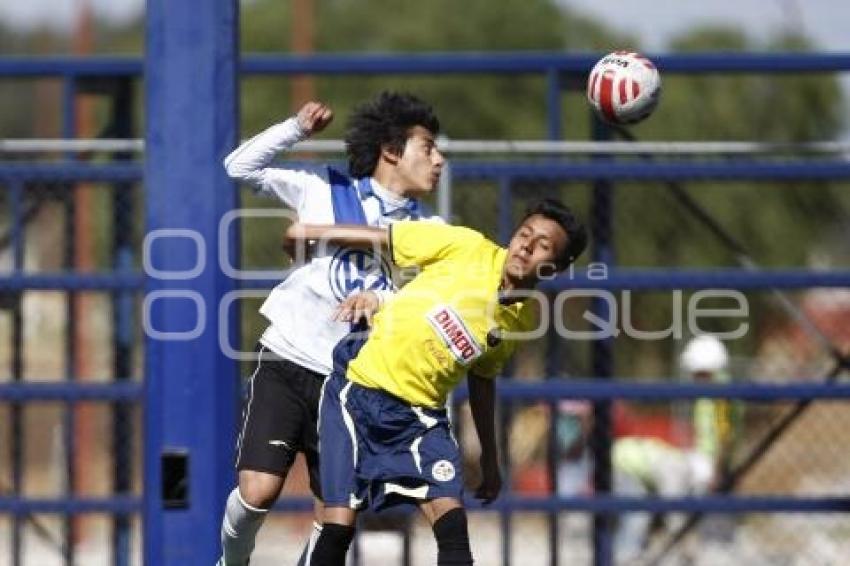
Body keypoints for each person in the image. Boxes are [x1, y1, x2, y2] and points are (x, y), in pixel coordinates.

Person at [285, 199, 588, 566]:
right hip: (358, 395)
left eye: (542, 245)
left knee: (454, 535)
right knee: (338, 529)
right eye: (524, 234)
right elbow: (384, 238)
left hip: (420, 420)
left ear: (556, 266)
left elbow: (482, 380)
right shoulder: (466, 247)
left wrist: (491, 461)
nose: (525, 245)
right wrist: (310, 234)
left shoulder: (520, 322)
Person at [217, 92, 445, 566]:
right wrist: (295, 129)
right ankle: (230, 561)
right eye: (428, 147)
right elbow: (239, 167)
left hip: (349, 385)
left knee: (335, 516)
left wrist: (382, 299)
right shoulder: (327, 186)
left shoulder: (430, 229)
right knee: (257, 491)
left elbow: (430, 300)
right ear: (391, 151)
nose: (439, 160)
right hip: (287, 357)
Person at [612, 334, 737, 562]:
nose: (692, 379)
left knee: (693, 511)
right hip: (701, 458)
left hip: (707, 462)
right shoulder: (711, 394)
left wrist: (716, 467)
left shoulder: (720, 395)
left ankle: (697, 551)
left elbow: (723, 434)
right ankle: (686, 550)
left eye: (696, 373)